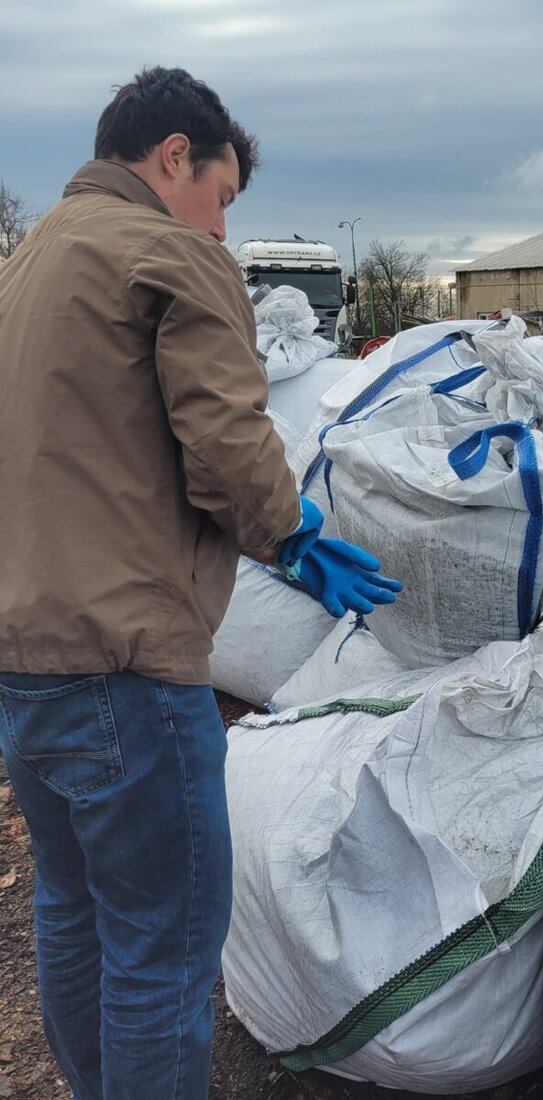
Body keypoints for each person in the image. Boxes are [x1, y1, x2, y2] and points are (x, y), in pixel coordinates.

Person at [0, 66, 400, 1099]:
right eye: (221, 198)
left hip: (23, 660)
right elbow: (227, 442)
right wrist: (293, 530)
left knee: (76, 910)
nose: (221, 230)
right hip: (126, 665)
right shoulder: (166, 253)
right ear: (174, 155)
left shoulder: (29, 260)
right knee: (163, 951)